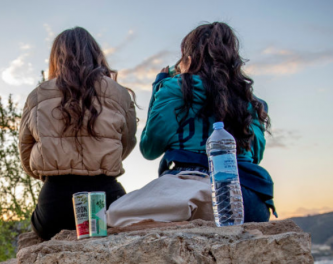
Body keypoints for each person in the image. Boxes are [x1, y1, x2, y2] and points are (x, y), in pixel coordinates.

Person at [140, 22, 275, 222]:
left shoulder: (173, 89)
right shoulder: (252, 102)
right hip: (250, 199)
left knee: (117, 214)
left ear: (188, 59)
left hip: (190, 192)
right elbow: (254, 156)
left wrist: (160, 83)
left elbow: (149, 148)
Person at [19, 26, 137, 240]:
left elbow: (26, 156)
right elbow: (126, 144)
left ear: (55, 59)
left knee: (42, 224)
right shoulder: (118, 93)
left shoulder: (37, 96)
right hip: (106, 199)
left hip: (55, 203)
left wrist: (54, 168)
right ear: (96, 54)